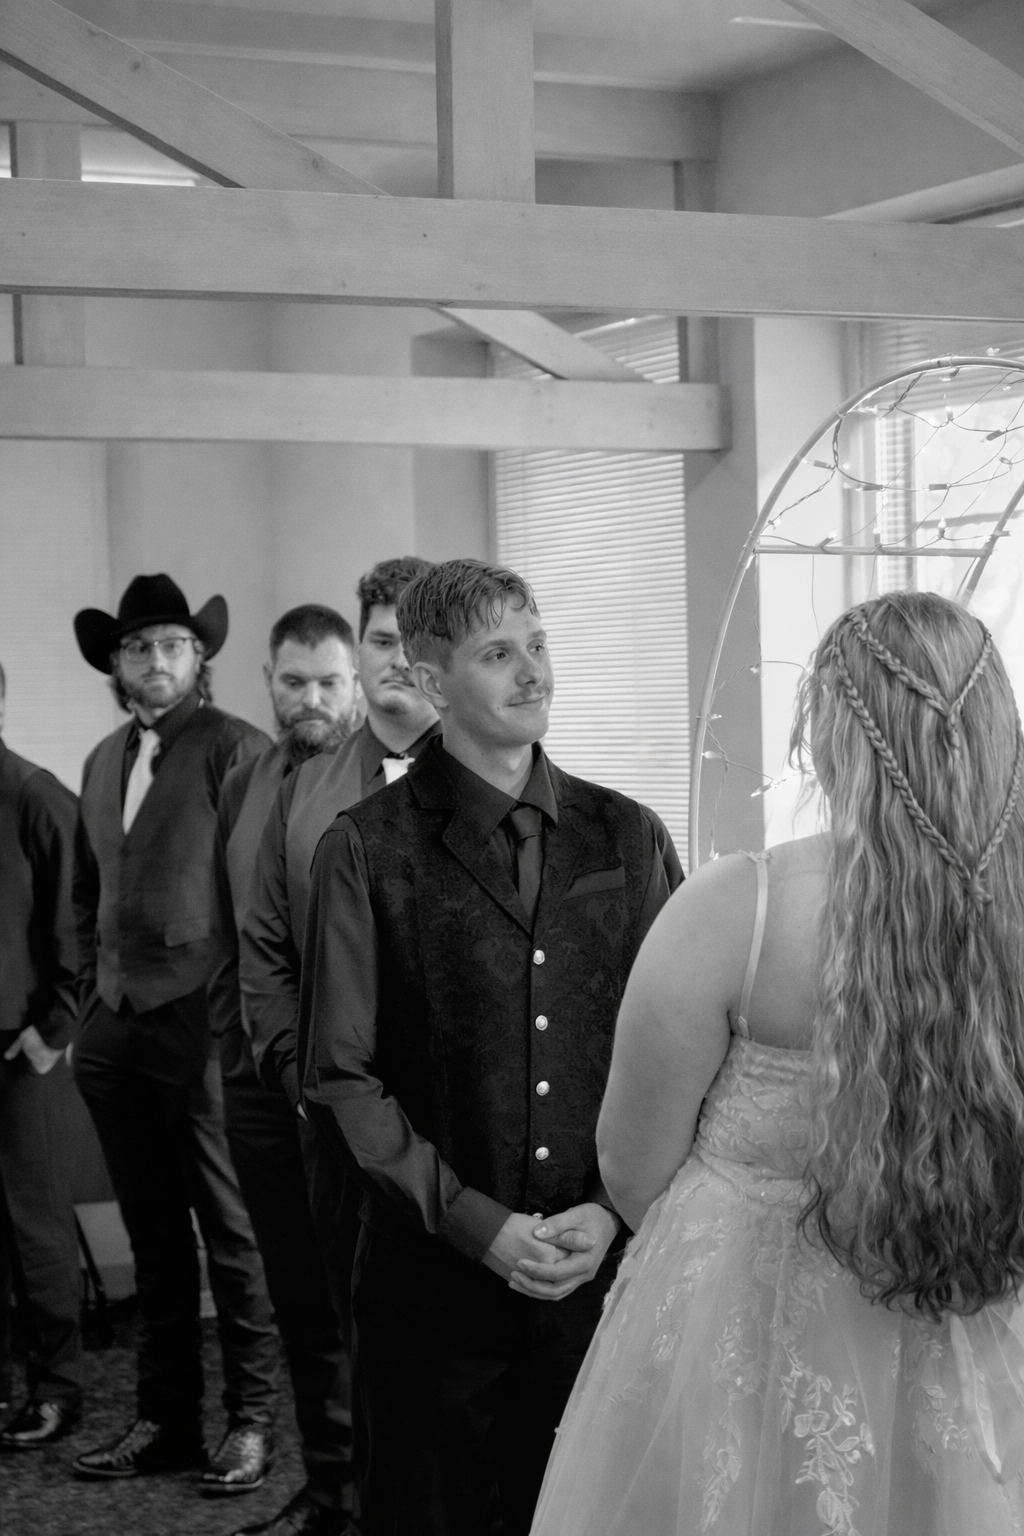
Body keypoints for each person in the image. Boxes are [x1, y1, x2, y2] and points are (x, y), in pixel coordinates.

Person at [530, 591, 1024, 1536]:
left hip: (748, 1329)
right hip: (974, 1306)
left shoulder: (739, 907)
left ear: (832, 734)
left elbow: (632, 1165)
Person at [298, 559, 682, 1536]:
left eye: (538, 645)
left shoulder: (628, 836)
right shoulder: (364, 847)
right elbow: (339, 1078)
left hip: (600, 1284)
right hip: (430, 1294)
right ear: (430, 682)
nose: (533, 671)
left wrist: (614, 1211)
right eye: (498, 653)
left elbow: (680, 1051)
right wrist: (475, 1225)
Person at [237, 556, 439, 1536]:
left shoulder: (496, 774)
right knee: (340, 1323)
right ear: (360, 651)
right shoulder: (307, 787)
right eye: (382, 640)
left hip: (455, 1123)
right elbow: (267, 944)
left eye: (416, 641)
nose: (397, 659)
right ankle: (348, 1510)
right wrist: (296, 1074)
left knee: (448, 1345)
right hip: (330, 1116)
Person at [69, 574, 280, 1492]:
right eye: (138, 647)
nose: (155, 660)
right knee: (151, 1235)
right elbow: (87, 894)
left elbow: (264, 903)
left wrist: (234, 1024)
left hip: (204, 1027)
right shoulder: (101, 759)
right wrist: (89, 1002)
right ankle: (166, 1421)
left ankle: (252, 1421)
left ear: (200, 659)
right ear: (116, 666)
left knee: (230, 1235)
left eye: (173, 645)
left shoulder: (239, 749)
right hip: (113, 1028)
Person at [210, 604, 361, 1536]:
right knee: (297, 1295)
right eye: (294, 681)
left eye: (328, 681)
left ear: (355, 683)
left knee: (360, 1302)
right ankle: (330, 1492)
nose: (311, 699)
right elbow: (234, 926)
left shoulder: (382, 780)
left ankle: (374, 1499)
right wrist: (236, 1050)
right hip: (258, 1080)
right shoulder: (245, 779)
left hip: (350, 1087)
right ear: (268, 681)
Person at [0, 661, 83, 1449]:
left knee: (34, 1225)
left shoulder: (35, 794)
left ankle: (57, 1389)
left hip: (20, 1049)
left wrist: (52, 1031)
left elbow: (79, 919)